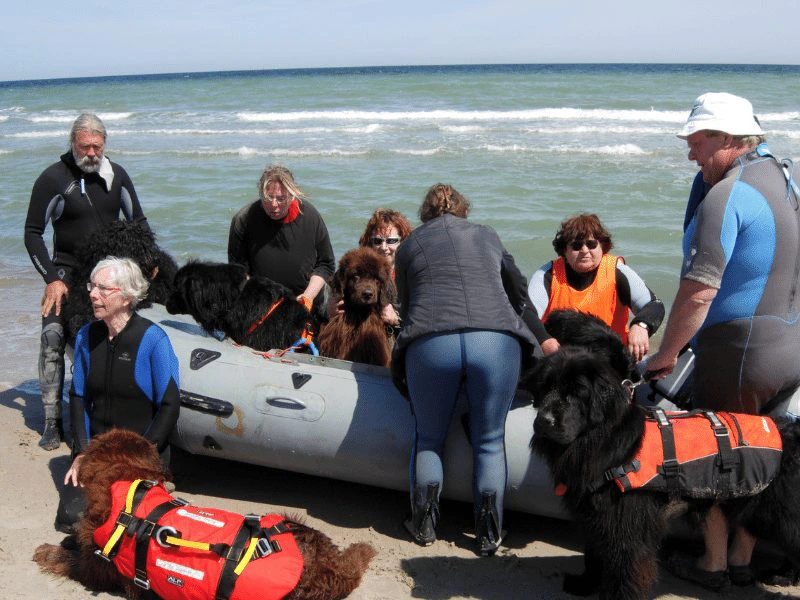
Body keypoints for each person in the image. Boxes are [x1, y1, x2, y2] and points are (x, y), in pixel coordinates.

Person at [647, 92, 800, 591]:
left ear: (731, 139)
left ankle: (712, 564)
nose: (690, 151)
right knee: (763, 453)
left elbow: (698, 289)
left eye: (698, 140)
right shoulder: (783, 176)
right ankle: (741, 557)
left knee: (715, 452)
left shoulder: (726, 195)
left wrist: (666, 356)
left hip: (740, 355)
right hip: (789, 347)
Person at [391, 183, 540, 556]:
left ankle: (423, 526)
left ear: (425, 213)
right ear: (463, 209)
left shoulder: (410, 245)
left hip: (431, 342)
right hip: (495, 342)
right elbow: (517, 289)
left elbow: (407, 307)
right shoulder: (487, 235)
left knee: (428, 438)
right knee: (490, 441)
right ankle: (489, 533)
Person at [24, 113, 149, 450]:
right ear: (73, 143)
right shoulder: (53, 178)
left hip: (109, 274)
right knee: (52, 337)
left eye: (97, 146)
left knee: (117, 340)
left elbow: (139, 223)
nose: (92, 153)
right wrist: (51, 278)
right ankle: (53, 421)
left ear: (104, 143)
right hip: (66, 274)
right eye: (85, 147)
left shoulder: (116, 176)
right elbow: (32, 234)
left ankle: (113, 411)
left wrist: (149, 266)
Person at [66, 257, 180, 487]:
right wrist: (80, 452)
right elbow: (78, 397)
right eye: (92, 286)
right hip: (98, 454)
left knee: (128, 517)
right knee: (71, 518)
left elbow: (170, 405)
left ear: (127, 297)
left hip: (142, 455)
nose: (93, 294)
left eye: (104, 289)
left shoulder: (153, 340)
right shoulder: (86, 337)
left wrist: (143, 453)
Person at [528, 213, 664, 361]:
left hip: (611, 359)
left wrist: (641, 326)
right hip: (561, 360)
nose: (584, 250)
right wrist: (544, 341)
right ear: (564, 251)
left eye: (591, 244)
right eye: (576, 245)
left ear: (602, 246)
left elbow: (654, 305)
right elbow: (526, 312)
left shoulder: (617, 272)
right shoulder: (547, 275)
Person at [228, 165, 335, 321]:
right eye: (268, 197)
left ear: (292, 196)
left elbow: (326, 264)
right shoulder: (243, 220)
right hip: (265, 304)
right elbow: (239, 272)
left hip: (310, 300)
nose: (274, 205)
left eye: (281, 198)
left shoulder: (310, 216)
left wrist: (308, 297)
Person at [328, 208, 413, 326]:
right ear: (369, 242)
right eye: (377, 241)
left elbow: (421, 318)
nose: (384, 247)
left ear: (403, 242)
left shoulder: (413, 273)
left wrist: (397, 320)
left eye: (391, 240)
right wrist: (330, 311)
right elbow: (334, 298)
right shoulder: (353, 268)